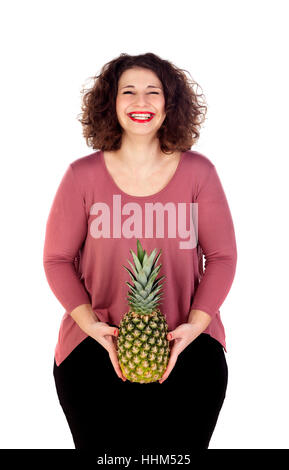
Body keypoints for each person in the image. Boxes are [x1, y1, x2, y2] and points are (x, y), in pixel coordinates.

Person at [43, 52, 237, 451]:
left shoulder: (199, 173)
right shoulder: (82, 176)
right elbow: (57, 260)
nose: (141, 102)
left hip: (189, 346)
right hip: (93, 345)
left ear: (170, 104)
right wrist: (90, 324)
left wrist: (196, 326)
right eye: (128, 91)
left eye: (154, 92)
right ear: (110, 104)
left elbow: (222, 257)